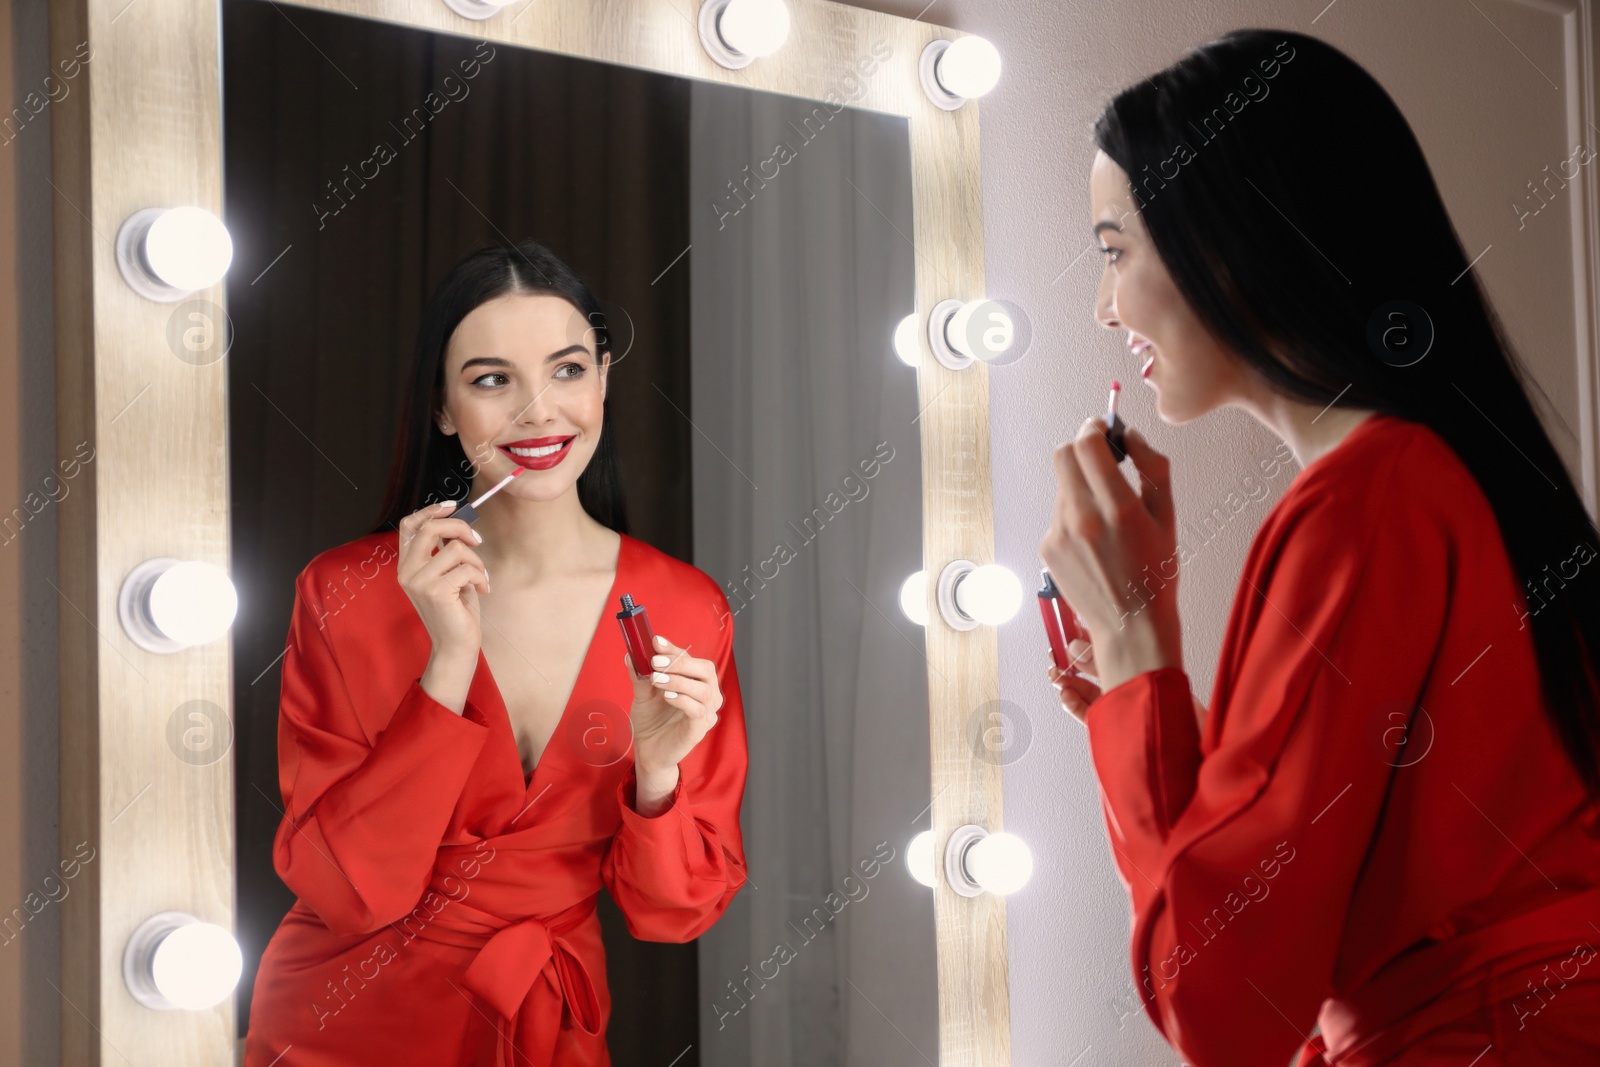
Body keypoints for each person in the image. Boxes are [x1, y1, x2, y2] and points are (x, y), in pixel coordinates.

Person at [1040, 28, 1600, 1067]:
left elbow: (1223, 1007)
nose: (1103, 305)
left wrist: (1133, 648)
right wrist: (1154, 702)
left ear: (1230, 237)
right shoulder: (1443, 476)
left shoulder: (1364, 499)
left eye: (1114, 251)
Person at [244, 240, 748, 1066]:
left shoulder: (687, 607)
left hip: (549, 1023)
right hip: (337, 1025)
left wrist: (656, 777)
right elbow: (347, 889)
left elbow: (673, 913)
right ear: (443, 408)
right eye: (491, 380)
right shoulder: (343, 592)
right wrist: (447, 664)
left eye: (568, 369)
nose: (538, 411)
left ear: (604, 378)